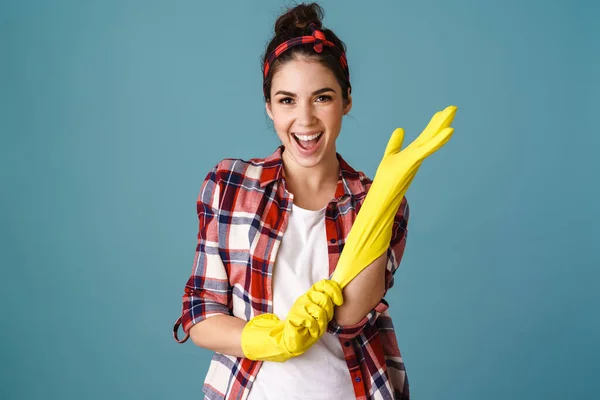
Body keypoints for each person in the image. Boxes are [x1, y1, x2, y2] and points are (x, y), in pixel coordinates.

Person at [173, 3, 456, 399]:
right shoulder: (229, 186)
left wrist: (383, 200)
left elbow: (352, 315)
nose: (304, 119)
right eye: (287, 100)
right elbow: (201, 313)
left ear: (346, 101)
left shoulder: (372, 200)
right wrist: (265, 339)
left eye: (322, 98)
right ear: (269, 106)